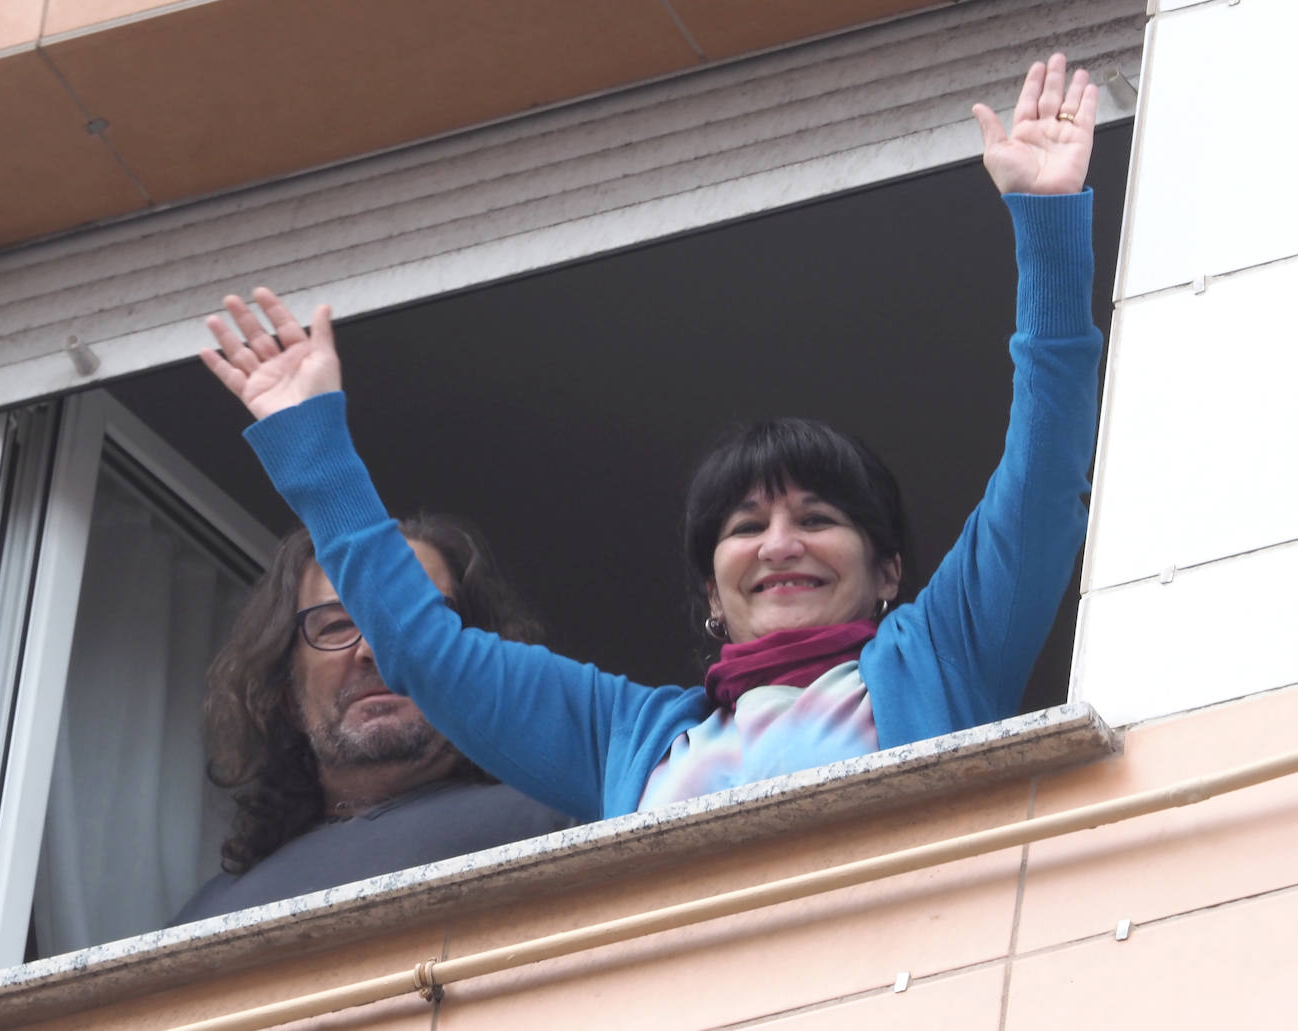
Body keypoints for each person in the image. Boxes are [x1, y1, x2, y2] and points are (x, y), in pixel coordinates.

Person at [199, 55, 1101, 823]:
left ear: (889, 569)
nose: (780, 543)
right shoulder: (626, 734)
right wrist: (316, 452)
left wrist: (1049, 226)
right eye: (745, 526)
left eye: (817, 516)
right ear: (710, 586)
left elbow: (1044, 472)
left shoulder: (943, 654)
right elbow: (428, 654)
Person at [172, 518, 575, 925]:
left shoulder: (573, 823)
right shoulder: (208, 917)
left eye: (413, 619)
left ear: (478, 661)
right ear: (287, 696)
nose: (373, 648)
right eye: (336, 625)